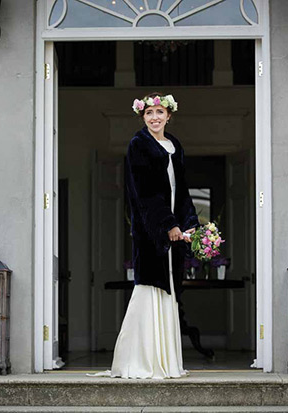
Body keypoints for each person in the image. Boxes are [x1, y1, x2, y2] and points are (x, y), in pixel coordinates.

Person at [95, 92, 199, 379]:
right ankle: (142, 361)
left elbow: (183, 188)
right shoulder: (138, 145)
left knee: (169, 291)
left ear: (169, 115)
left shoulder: (174, 144)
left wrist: (188, 223)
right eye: (149, 113)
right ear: (143, 117)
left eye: (159, 112)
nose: (155, 117)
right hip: (151, 233)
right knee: (150, 288)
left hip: (173, 232)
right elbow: (145, 194)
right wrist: (168, 225)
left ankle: (167, 363)